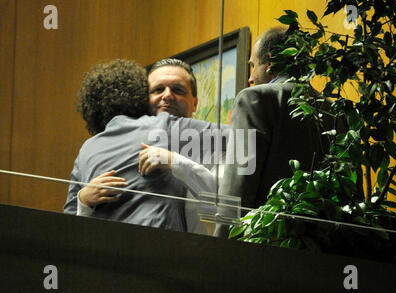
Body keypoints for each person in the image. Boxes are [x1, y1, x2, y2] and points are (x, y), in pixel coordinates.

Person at [63, 59, 225, 232]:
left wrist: (176, 162)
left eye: (178, 90)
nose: (167, 96)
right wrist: (83, 201)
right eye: (158, 90)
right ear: (143, 100)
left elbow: (229, 207)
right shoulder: (95, 148)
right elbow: (67, 227)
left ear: (195, 102)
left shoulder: (217, 149)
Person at [214, 27, 332, 237]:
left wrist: (221, 245)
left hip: (264, 244)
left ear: (270, 62)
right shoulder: (337, 112)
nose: (250, 78)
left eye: (253, 66)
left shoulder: (254, 99)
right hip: (324, 249)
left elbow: (239, 185)